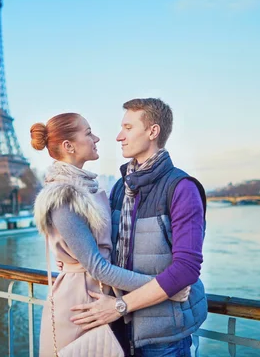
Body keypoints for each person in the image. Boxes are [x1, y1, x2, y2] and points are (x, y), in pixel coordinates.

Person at [30, 113, 188, 357]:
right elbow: (98, 268)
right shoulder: (63, 197)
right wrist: (167, 288)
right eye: (88, 132)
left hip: (103, 298)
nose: (97, 138)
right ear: (68, 146)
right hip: (82, 305)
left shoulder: (90, 189)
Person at [69, 98, 208, 356]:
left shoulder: (182, 188)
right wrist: (73, 258)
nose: (119, 136)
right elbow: (106, 247)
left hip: (163, 337)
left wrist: (121, 305)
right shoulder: (121, 188)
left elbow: (186, 269)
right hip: (121, 331)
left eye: (128, 128)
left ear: (153, 131)